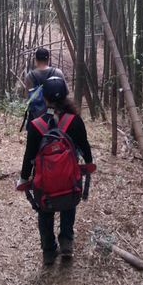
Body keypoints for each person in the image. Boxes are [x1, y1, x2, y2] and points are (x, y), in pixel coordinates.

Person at [17, 76, 93, 265]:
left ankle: (49, 250)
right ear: (66, 95)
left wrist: (23, 178)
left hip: (44, 180)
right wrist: (89, 164)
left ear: (44, 98)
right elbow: (85, 148)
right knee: (68, 204)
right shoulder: (75, 121)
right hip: (69, 177)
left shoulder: (37, 125)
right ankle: (66, 241)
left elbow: (29, 155)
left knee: (45, 210)